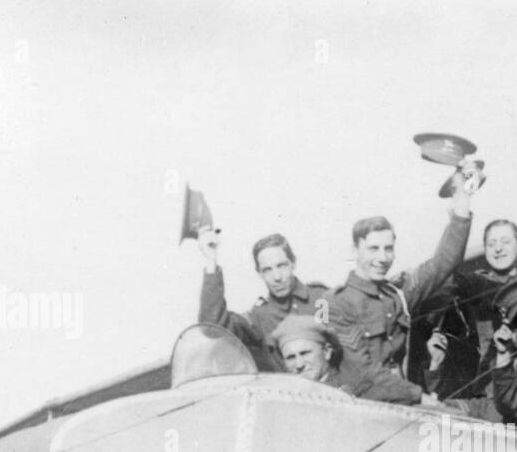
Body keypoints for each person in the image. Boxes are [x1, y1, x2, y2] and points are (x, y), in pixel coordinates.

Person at [327, 163, 479, 383]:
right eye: (373, 249)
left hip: (400, 402)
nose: (382, 258)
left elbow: (444, 262)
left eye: (388, 249)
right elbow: (357, 370)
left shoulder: (399, 295)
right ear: (355, 251)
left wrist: (463, 198)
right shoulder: (332, 302)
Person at [196, 231, 329, 371]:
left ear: (293, 263)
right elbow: (212, 328)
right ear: (259, 273)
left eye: (282, 265)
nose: (277, 277)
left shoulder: (321, 301)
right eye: (267, 270)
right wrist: (211, 261)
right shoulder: (258, 317)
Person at [441, 219, 517, 396]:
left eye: (505, 242)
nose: (498, 249)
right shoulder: (477, 284)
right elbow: (446, 272)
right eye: (491, 244)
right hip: (490, 390)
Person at [270, 315, 436, 405]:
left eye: (305, 353)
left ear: (327, 352)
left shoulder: (357, 388)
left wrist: (424, 399)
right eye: (291, 357)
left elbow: (401, 398)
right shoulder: (283, 398)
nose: (299, 364)